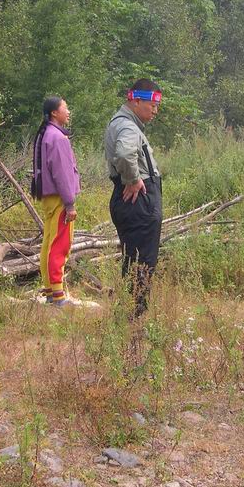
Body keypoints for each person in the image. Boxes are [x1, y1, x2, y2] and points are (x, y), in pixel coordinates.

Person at [104, 78, 163, 318]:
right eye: (153, 105)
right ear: (136, 101)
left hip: (130, 201)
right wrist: (133, 179)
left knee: (133, 258)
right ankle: (136, 317)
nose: (155, 111)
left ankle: (128, 313)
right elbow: (125, 153)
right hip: (138, 201)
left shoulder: (120, 123)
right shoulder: (128, 126)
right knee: (143, 260)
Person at [32, 96, 80, 306]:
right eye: (65, 108)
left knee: (49, 243)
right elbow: (62, 174)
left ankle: (50, 290)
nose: (68, 112)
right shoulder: (58, 138)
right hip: (59, 199)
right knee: (60, 244)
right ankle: (58, 296)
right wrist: (70, 203)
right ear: (54, 113)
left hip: (49, 199)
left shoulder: (45, 134)